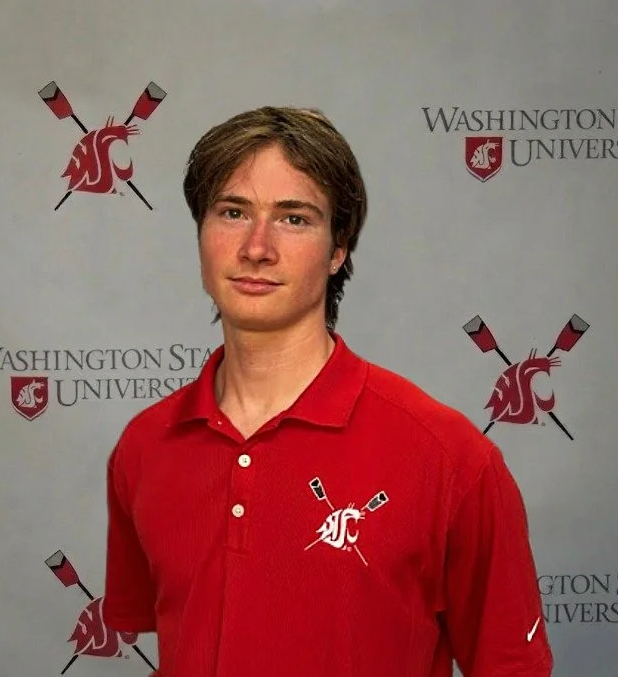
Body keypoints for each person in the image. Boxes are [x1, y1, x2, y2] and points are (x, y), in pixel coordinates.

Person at [103, 106, 553, 676]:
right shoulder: (145, 445)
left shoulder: (450, 457)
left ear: (338, 249)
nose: (257, 247)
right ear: (201, 233)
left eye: (294, 219)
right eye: (233, 212)